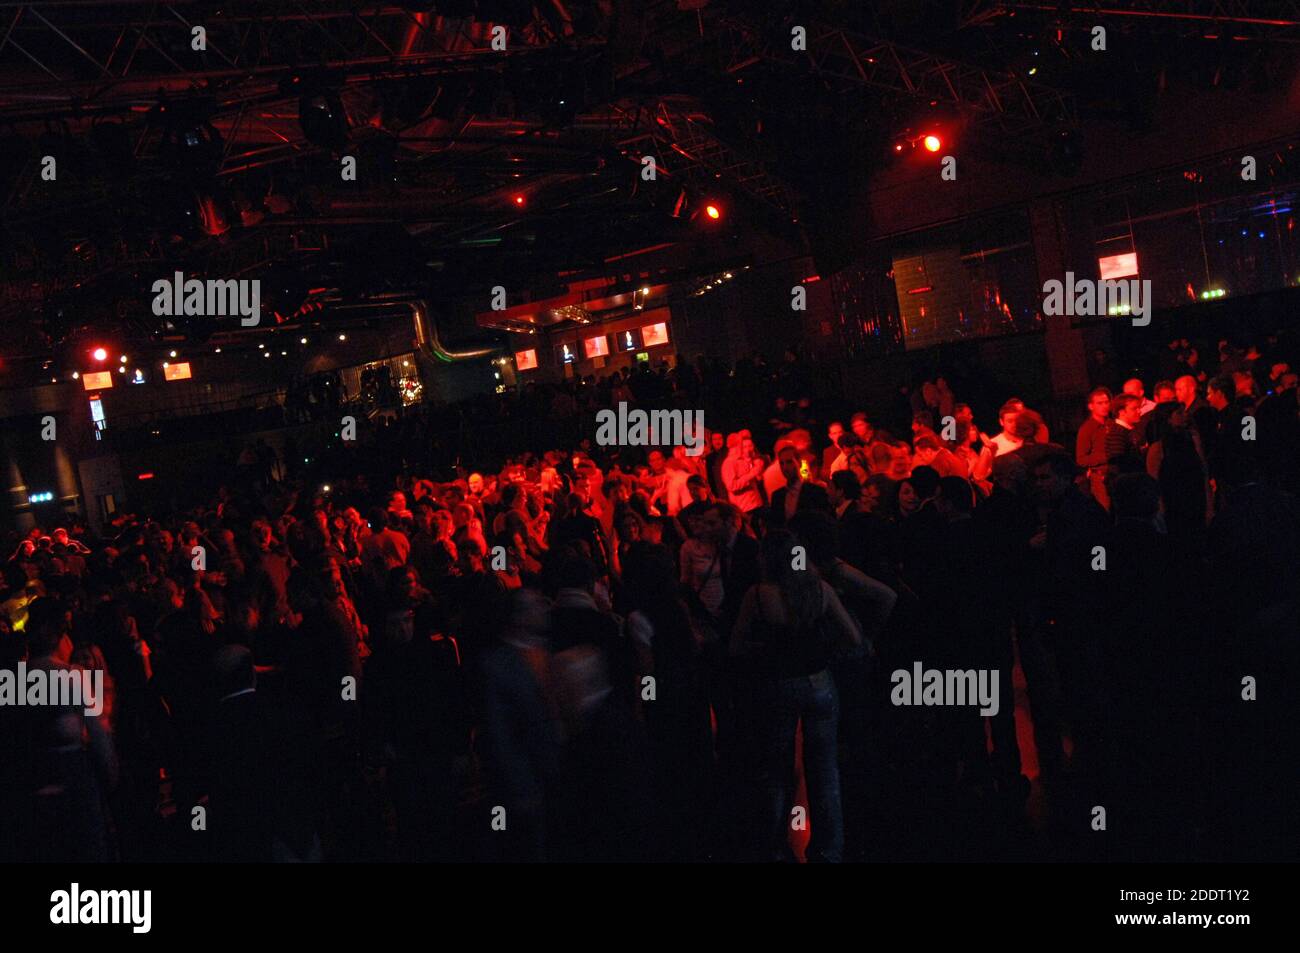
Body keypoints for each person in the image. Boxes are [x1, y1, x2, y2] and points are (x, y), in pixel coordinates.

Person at [730, 530, 862, 862]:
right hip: (818, 682)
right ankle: (829, 850)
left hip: (776, 686)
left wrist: (763, 649)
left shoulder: (758, 595)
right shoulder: (819, 590)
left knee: (778, 767)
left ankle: (777, 847)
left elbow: (736, 647)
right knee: (825, 768)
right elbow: (852, 637)